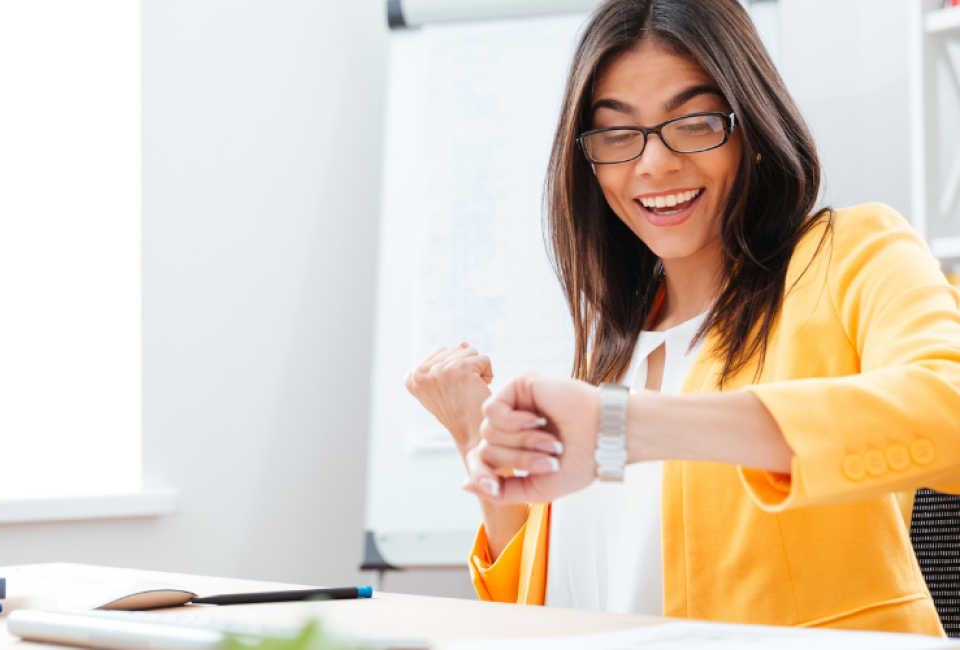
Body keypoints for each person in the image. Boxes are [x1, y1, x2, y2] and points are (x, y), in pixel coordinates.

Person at [404, 0, 960, 636]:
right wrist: (481, 440)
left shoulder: (851, 254)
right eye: (617, 135)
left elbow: (949, 408)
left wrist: (635, 427)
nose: (654, 164)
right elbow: (554, 606)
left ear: (752, 124)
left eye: (694, 123)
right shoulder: (614, 351)